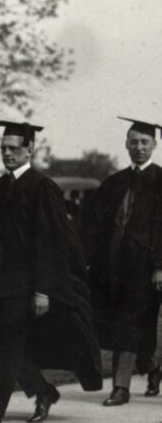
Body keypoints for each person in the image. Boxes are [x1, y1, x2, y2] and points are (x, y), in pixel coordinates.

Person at [0, 121, 101, 423]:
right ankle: (42, 390)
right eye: (3, 149)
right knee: (1, 347)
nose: (7, 154)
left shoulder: (43, 188)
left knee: (11, 348)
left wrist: (43, 290)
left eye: (14, 148)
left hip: (27, 285)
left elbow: (51, 243)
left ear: (30, 149)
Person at [82, 117, 162, 406]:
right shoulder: (114, 182)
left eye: (145, 142)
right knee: (121, 325)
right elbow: (94, 224)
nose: (139, 147)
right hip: (113, 268)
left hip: (145, 268)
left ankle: (121, 387)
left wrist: (159, 265)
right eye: (134, 142)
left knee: (130, 325)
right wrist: (88, 260)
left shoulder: (160, 180)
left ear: (155, 144)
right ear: (126, 144)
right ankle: (152, 368)